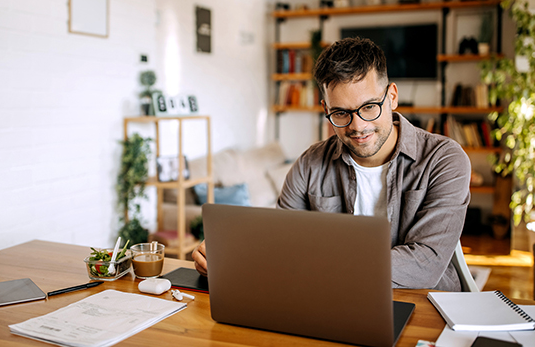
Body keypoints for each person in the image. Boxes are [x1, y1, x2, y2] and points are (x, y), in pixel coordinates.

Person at [193, 37, 471, 291]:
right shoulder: (309, 165)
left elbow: (424, 266)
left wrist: (314, 264)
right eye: (341, 113)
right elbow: (280, 243)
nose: (358, 126)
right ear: (326, 109)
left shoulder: (443, 160)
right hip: (331, 299)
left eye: (370, 107)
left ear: (392, 97)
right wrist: (227, 258)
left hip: (424, 305)